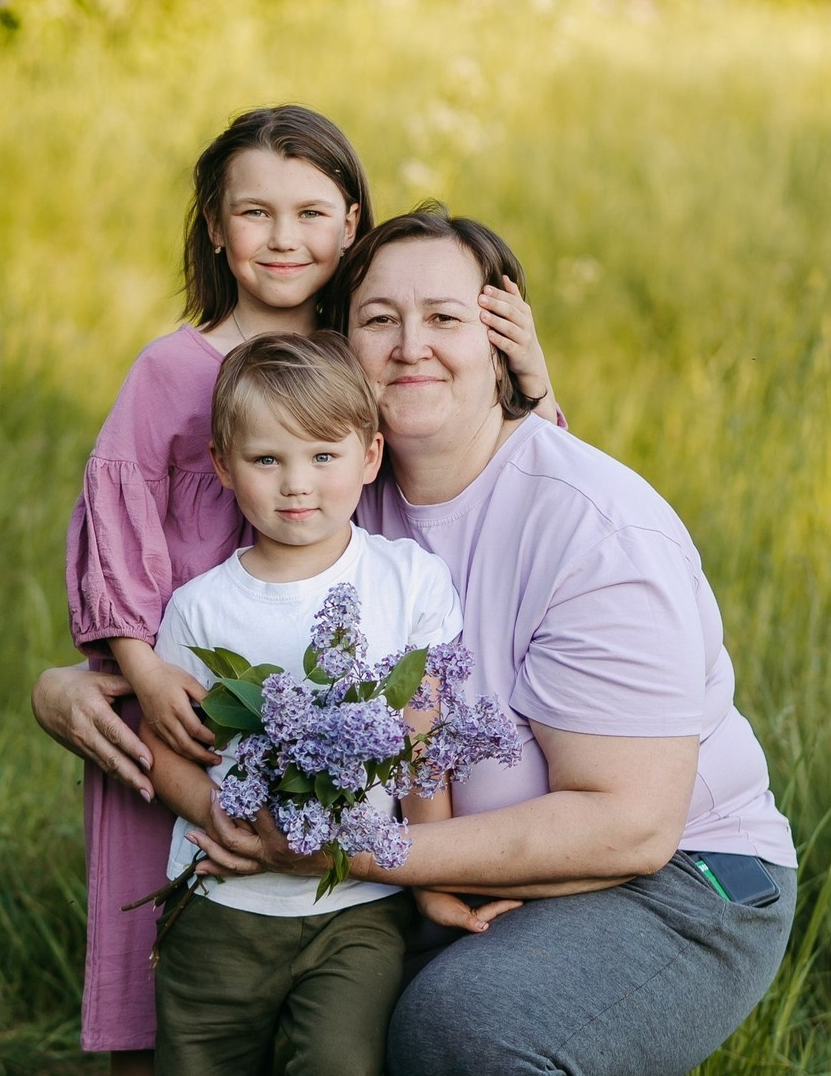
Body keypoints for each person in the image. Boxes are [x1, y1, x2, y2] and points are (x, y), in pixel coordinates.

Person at [176, 207, 799, 1076]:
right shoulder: (333, 490)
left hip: (676, 884)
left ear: (500, 343)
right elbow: (211, 612)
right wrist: (74, 685)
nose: (411, 347)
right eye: (379, 319)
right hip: (442, 868)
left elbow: (629, 826)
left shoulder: (597, 530)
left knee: (465, 1027)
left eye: (445, 317)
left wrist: (342, 851)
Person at [52, 107, 556, 1074]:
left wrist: (528, 380)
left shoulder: (365, 349)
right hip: (192, 699)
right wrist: (138, 670)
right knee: (174, 972)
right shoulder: (171, 371)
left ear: (352, 222)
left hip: (344, 708)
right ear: (214, 226)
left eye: (312, 213)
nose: (285, 239)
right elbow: (116, 531)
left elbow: (496, 469)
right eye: (255, 213)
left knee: (336, 995)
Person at [142, 330, 507, 1075]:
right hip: (224, 903)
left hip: (358, 907)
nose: (296, 485)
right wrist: (219, 815)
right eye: (266, 460)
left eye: (322, 456)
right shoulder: (200, 609)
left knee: (342, 1063)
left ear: (370, 456)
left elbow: (421, 752)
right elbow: (165, 749)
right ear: (223, 465)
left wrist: (429, 878)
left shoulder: (408, 581)